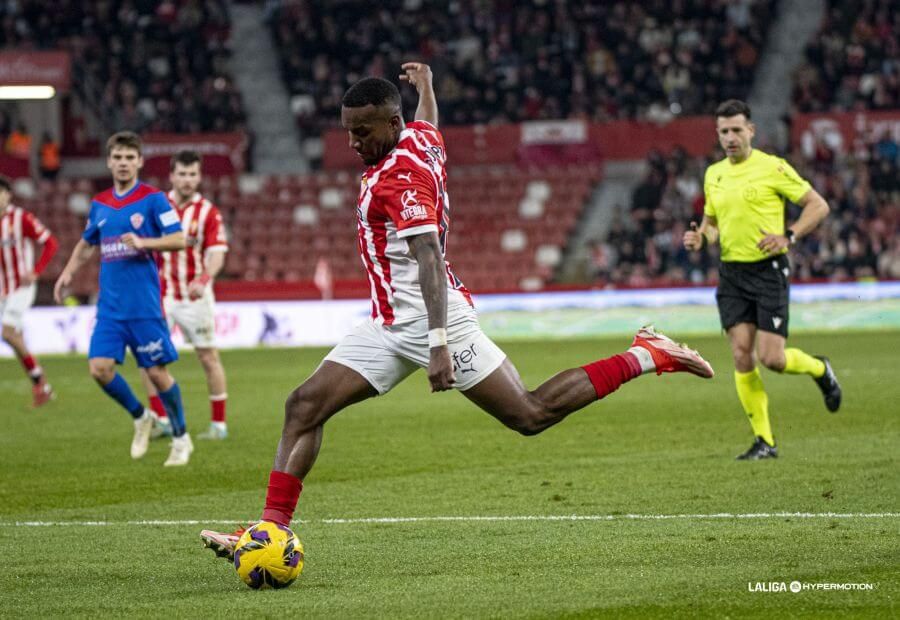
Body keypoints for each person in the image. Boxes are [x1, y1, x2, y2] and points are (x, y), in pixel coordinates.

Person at [200, 64, 715, 557]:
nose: (353, 143)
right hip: (388, 324)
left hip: (434, 319)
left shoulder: (401, 178)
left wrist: (439, 344)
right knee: (303, 405)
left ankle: (646, 355)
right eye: (348, 131)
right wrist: (426, 86)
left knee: (530, 414)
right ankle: (270, 529)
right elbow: (428, 120)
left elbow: (428, 255)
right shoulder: (419, 138)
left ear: (391, 124)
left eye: (361, 132)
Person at [682, 99, 842, 461]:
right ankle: (765, 441)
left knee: (773, 358)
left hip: (768, 271)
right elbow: (711, 224)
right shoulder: (714, 174)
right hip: (732, 273)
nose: (730, 137)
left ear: (751, 131)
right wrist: (700, 239)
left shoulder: (772, 167)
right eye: (723, 131)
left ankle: (820, 368)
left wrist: (789, 236)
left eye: (736, 130)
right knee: (741, 353)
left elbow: (818, 205)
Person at [53, 131, 193, 466]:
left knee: (157, 374)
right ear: (109, 162)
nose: (123, 163)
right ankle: (141, 416)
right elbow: (87, 242)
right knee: (99, 369)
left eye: (130, 157)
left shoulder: (154, 199)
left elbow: (179, 239)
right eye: (117, 157)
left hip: (144, 306)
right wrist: (68, 272)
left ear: (140, 161)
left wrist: (145, 243)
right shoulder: (100, 204)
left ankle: (181, 437)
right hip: (111, 309)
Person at [140, 150, 230, 440]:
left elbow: (217, 254)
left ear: (199, 177)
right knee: (149, 357)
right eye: (182, 174)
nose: (187, 180)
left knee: (208, 357)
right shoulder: (155, 207)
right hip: (159, 296)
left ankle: (219, 425)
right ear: (172, 175)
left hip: (195, 297)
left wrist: (204, 278)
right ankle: (162, 419)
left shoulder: (208, 212)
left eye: (192, 174)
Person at [0, 175, 58, 406]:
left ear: (8, 195)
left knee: (7, 332)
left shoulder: (20, 218)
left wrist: (36, 271)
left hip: (21, 287)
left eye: (1, 193)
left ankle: (39, 381)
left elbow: (50, 242)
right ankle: (42, 386)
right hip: (3, 288)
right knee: (15, 337)